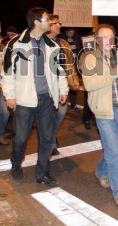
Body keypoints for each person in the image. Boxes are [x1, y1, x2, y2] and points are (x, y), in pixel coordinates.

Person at [1, 7, 69, 185]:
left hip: (46, 98)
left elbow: (59, 69)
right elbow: (7, 71)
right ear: (37, 22)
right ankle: (16, 163)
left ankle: (42, 172)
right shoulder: (16, 43)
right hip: (24, 100)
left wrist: (63, 90)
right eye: (47, 19)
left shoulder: (52, 45)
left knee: (47, 138)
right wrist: (10, 95)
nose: (51, 22)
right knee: (21, 138)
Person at [79, 23, 118, 208]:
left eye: (110, 37)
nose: (107, 41)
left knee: (115, 149)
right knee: (114, 153)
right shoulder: (90, 59)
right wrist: (114, 73)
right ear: (96, 40)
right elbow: (89, 85)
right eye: (103, 37)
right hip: (105, 112)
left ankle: (100, 170)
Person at [47, 15, 80, 156]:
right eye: (56, 23)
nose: (59, 26)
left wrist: (74, 78)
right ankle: (50, 142)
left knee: (61, 112)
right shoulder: (40, 42)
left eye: (59, 23)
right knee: (47, 115)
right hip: (47, 85)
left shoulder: (63, 43)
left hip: (62, 83)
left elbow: (69, 63)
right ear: (48, 26)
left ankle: (51, 136)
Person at [60, 26, 83, 111]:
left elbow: (80, 50)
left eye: (72, 32)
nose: (71, 33)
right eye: (70, 32)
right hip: (66, 64)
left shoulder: (77, 39)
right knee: (64, 83)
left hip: (74, 63)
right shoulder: (62, 40)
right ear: (66, 32)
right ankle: (62, 102)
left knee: (73, 84)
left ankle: (73, 105)